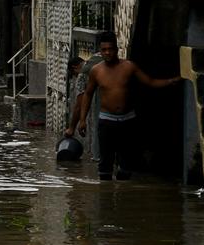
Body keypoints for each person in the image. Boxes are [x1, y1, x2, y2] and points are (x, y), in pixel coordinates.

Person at [66, 31, 181, 180]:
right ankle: (105, 199)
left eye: (110, 49)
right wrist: (82, 120)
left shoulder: (129, 67)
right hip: (106, 121)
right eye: (104, 50)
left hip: (128, 120)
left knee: (127, 164)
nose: (107, 53)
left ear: (116, 49)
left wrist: (172, 81)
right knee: (105, 165)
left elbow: (150, 82)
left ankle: (122, 195)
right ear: (100, 51)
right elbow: (88, 94)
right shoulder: (96, 71)